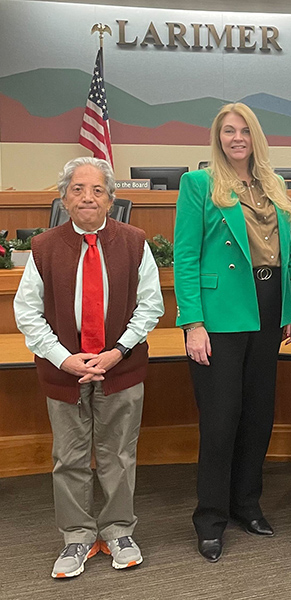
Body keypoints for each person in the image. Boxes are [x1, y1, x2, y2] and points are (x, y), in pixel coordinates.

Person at [14, 157, 164, 579]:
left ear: (111, 199)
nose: (88, 197)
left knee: (118, 454)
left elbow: (150, 305)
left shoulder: (135, 242)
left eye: (97, 190)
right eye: (78, 189)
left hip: (121, 366)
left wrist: (116, 352)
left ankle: (118, 530)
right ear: (64, 197)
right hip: (64, 370)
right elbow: (27, 313)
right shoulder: (43, 248)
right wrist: (65, 358)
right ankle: (77, 537)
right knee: (70, 457)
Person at [174, 102, 291, 563]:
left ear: (255, 137)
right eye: (228, 131)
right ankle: (210, 518)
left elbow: (284, 254)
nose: (236, 138)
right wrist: (192, 322)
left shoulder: (271, 185)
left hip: (269, 309)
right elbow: (185, 259)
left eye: (243, 131)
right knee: (221, 418)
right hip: (221, 314)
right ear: (218, 137)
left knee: (258, 414)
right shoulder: (199, 185)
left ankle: (246, 504)